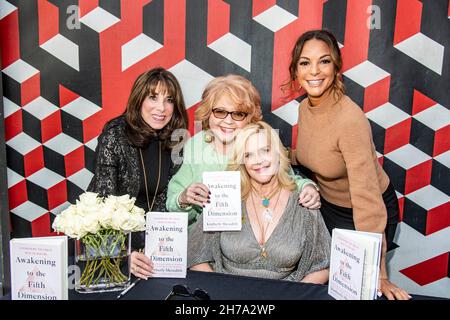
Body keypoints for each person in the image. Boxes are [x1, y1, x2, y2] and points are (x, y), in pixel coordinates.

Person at [286, 29, 411, 299]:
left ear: (336, 67)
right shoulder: (304, 108)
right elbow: (312, 155)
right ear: (296, 71)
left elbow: (367, 198)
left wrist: (379, 274)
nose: (314, 71)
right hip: (330, 209)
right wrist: (277, 155)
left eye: (324, 61)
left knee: (359, 290)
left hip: (366, 212)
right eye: (305, 62)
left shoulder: (350, 119)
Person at [167, 74, 321, 226]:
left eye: (238, 114)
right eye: (220, 111)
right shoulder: (196, 144)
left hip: (249, 237)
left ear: (250, 118)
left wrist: (307, 187)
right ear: (209, 113)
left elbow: (287, 179)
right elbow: (173, 202)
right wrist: (184, 199)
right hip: (202, 238)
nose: (228, 121)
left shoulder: (258, 140)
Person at [188, 121, 330, 283]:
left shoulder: (304, 201)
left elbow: (322, 264)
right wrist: (221, 291)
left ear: (278, 153)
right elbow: (195, 255)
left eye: (265, 151)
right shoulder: (225, 196)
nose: (258, 160)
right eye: (248, 155)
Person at [87, 67, 188, 280]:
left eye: (169, 100)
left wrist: (158, 247)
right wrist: (125, 256)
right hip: (110, 248)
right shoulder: (114, 136)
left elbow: (166, 203)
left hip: (154, 251)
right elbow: (104, 206)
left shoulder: (176, 140)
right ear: (139, 99)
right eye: (153, 98)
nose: (161, 108)